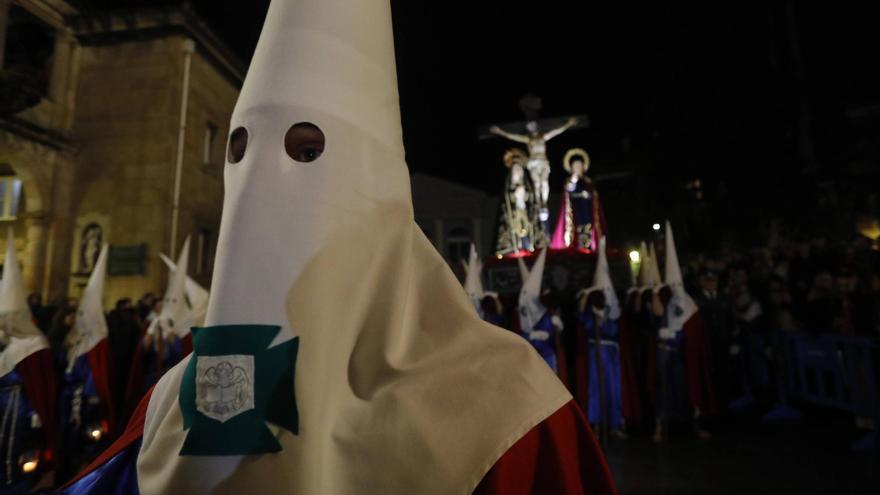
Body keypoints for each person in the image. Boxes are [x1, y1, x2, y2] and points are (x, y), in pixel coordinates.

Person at [61, 2, 616, 494]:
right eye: (238, 152)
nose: (261, 182)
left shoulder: (507, 408)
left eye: (307, 152)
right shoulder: (169, 403)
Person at [0, 229, 57, 492]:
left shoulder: (35, 345)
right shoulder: (5, 345)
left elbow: (42, 387)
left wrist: (37, 415)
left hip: (23, 412)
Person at [490, 118, 577, 225]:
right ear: (529, 131)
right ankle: (538, 203)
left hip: (543, 162)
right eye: (531, 128)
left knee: (544, 183)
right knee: (536, 184)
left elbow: (556, 131)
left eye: (535, 128)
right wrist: (500, 131)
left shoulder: (543, 137)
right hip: (533, 164)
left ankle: (544, 203)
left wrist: (568, 124)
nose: (534, 130)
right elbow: (512, 137)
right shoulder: (527, 139)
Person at [550, 149, 606, 252]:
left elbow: (593, 193)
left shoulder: (587, 180)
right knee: (577, 228)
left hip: (587, 208)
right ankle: (578, 247)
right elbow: (568, 189)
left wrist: (589, 195)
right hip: (575, 209)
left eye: (580, 166)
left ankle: (588, 246)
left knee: (587, 227)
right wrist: (573, 181)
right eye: (575, 166)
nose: (578, 168)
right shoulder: (570, 180)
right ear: (571, 168)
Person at [495, 148, 542, 255]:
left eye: (519, 169)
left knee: (527, 233)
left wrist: (525, 195)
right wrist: (514, 195)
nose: (518, 172)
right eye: (515, 170)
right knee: (515, 233)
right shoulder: (508, 187)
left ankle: (529, 247)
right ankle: (515, 248)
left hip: (525, 216)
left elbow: (531, 201)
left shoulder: (527, 186)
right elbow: (506, 201)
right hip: (514, 218)